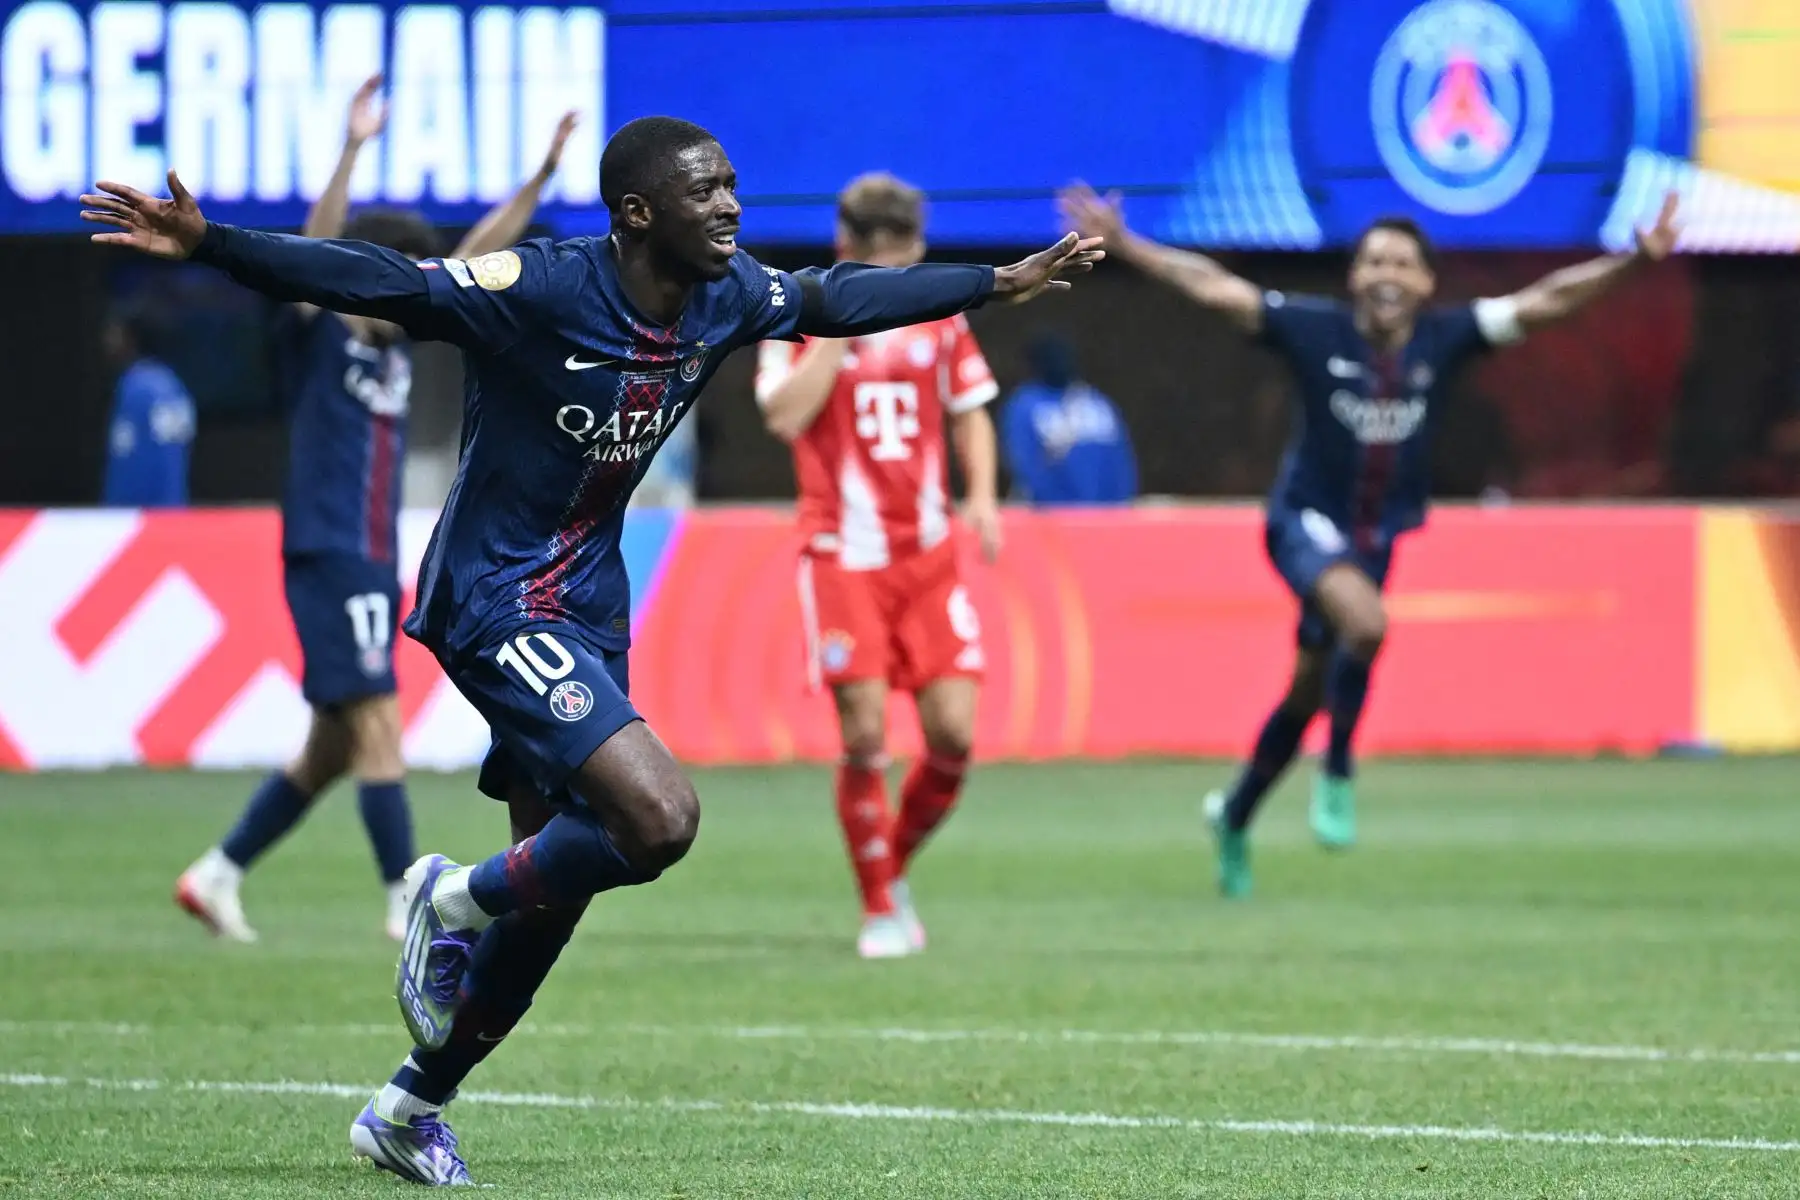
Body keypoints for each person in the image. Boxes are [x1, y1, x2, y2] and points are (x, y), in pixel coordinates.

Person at [84, 115, 1100, 1185]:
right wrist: (211, 242)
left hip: (590, 605)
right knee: (660, 818)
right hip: (495, 596)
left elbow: (834, 296)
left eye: (732, 184)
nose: (731, 205)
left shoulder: (726, 295)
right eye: (705, 191)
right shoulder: (545, 287)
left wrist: (997, 282)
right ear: (638, 214)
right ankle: (450, 898)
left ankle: (408, 1107)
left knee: (555, 894)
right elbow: (387, 282)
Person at [1058, 183, 1680, 898]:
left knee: (1306, 692)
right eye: (1375, 261)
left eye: (1402, 264)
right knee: (1367, 623)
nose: (1387, 274)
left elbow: (1547, 301)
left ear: (1426, 284)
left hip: (1374, 538)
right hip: (1302, 522)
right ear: (1354, 276)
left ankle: (1233, 815)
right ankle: (1339, 771)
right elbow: (1217, 290)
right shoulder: (1314, 331)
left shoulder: (1446, 340)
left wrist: (1633, 262)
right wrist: (1129, 245)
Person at [172, 75, 582, 945]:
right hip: (330, 547)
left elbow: (477, 257)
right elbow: (317, 247)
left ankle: (218, 873)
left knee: (333, 746)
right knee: (380, 724)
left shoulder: (395, 348)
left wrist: (542, 176)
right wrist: (353, 146)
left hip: (366, 552)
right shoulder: (321, 330)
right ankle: (405, 896)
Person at [755, 172, 1001, 959]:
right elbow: (784, 415)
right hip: (843, 557)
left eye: (910, 258)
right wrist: (838, 324)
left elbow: (971, 411)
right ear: (849, 248)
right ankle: (880, 907)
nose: (904, 274)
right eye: (887, 262)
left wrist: (982, 497)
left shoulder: (942, 316)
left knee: (953, 733)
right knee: (864, 732)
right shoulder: (792, 314)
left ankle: (886, 867)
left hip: (927, 554)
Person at [1000, 333, 1136, 506]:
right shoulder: (1026, 402)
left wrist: (1119, 508)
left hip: (1106, 515)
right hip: (1052, 516)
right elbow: (1023, 463)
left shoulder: (1097, 402)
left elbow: (1122, 463)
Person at [100, 305, 196, 508]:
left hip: (140, 512)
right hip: (174, 508)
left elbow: (128, 462)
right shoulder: (172, 383)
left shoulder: (136, 386)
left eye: (114, 333)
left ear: (131, 338)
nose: (108, 341)